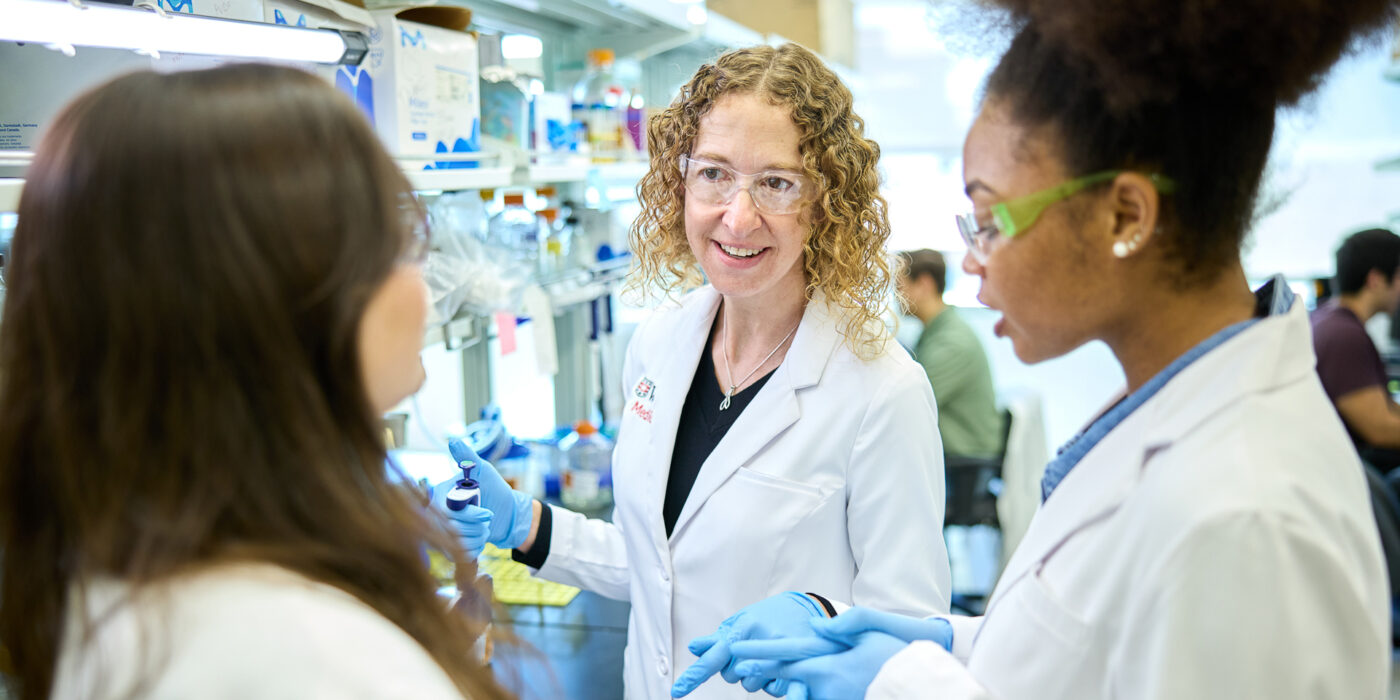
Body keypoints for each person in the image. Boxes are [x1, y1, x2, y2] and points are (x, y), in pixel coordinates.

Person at [685, 0, 1398, 698]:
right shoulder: (1169, 410)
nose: (971, 261)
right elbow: (1081, 653)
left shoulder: (1247, 517)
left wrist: (897, 685)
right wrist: (924, 640)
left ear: (1125, 216)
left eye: (991, 218)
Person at [444, 43, 952, 700]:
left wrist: (825, 620)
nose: (737, 217)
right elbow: (660, 561)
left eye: (776, 183)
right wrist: (528, 524)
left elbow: (908, 642)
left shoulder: (884, 391)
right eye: (713, 173)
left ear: (825, 202)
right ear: (678, 180)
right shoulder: (659, 343)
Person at [0, 65, 506, 700]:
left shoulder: (134, 576)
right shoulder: (320, 661)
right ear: (292, 300)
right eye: (398, 242)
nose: (424, 281)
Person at [897, 249, 1002, 458]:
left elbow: (909, 404)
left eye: (899, 286)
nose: (896, 295)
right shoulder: (936, 332)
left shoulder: (952, 342)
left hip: (962, 464)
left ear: (924, 285)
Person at [1312, 228, 1400, 468]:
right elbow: (1379, 428)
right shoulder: (1344, 335)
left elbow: (1386, 408)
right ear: (1375, 280)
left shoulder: (1326, 319)